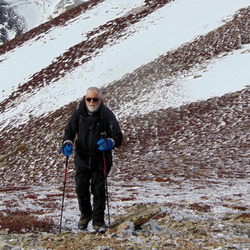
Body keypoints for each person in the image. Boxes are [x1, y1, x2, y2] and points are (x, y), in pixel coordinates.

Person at [62, 87, 123, 232]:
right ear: (85, 99)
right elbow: (69, 132)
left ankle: (98, 221)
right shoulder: (78, 113)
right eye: (88, 99)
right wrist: (67, 143)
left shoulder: (107, 114)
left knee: (98, 190)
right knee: (81, 189)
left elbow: (118, 136)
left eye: (95, 99)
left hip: (101, 159)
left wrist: (110, 142)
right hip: (82, 158)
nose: (91, 102)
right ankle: (85, 215)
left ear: (101, 100)